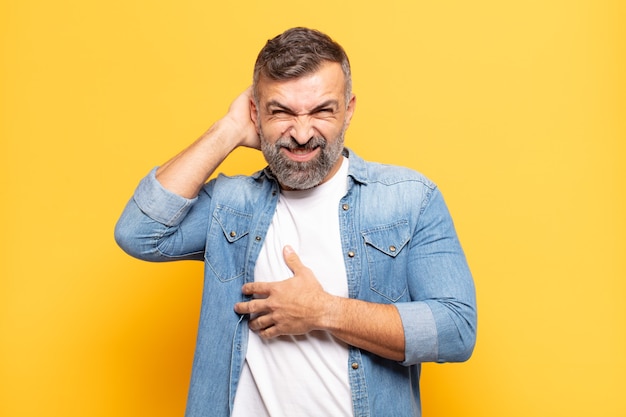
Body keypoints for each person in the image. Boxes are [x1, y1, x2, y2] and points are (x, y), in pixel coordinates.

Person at [115, 27, 477, 417]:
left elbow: (456, 329)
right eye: (281, 112)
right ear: (257, 113)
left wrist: (324, 311)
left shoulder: (409, 200)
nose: (302, 134)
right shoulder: (231, 204)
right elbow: (139, 232)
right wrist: (229, 130)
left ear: (349, 109)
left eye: (322, 110)